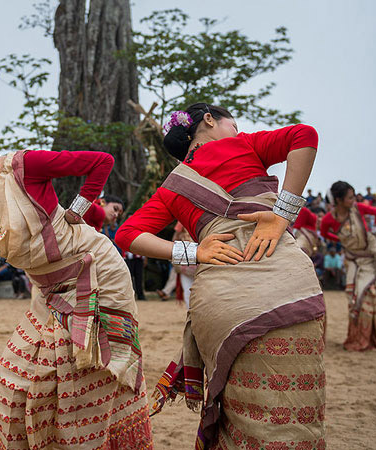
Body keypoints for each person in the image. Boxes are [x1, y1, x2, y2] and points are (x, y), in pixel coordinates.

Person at [0, 101, 153, 449]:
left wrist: (78, 210)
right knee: (14, 377)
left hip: (94, 271)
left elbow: (101, 162)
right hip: (46, 289)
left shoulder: (24, 166)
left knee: (82, 381)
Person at [115, 103, 325, 449]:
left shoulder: (172, 186)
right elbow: (305, 135)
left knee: (238, 409)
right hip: (284, 283)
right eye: (233, 124)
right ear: (210, 120)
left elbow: (127, 234)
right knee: (295, 408)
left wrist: (194, 252)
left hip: (219, 300)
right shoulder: (244, 145)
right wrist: (281, 215)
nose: (236, 131)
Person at [321, 180, 376, 352]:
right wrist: (341, 241)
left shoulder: (358, 208)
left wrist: (373, 231)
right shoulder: (330, 219)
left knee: (372, 295)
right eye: (350, 198)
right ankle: (359, 338)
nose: (353, 200)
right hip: (353, 260)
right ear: (338, 200)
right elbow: (324, 233)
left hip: (372, 257)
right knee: (354, 297)